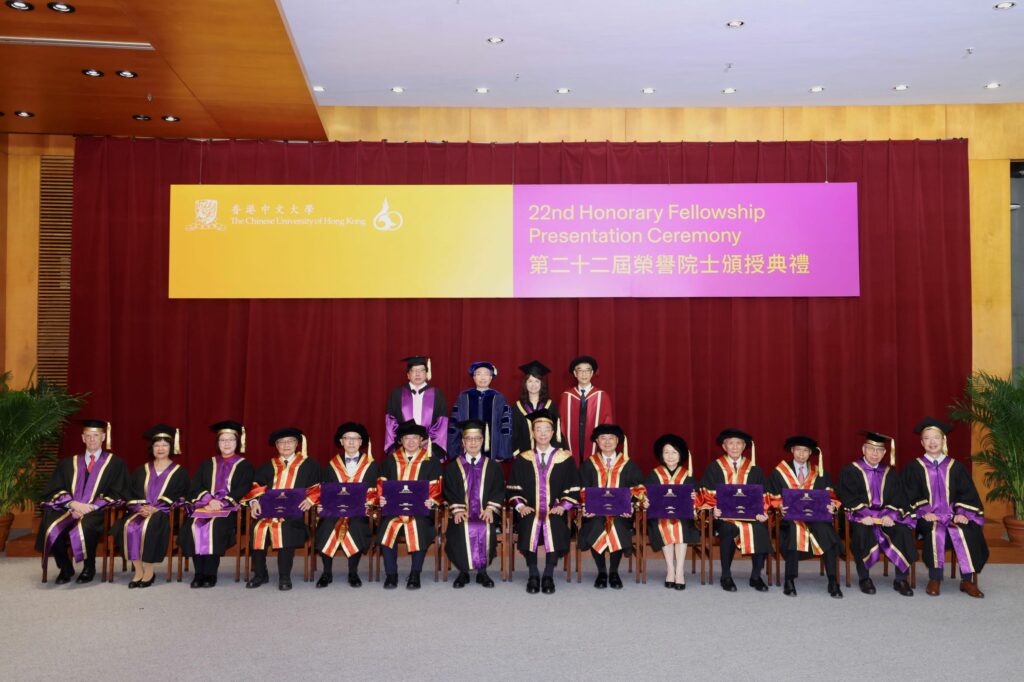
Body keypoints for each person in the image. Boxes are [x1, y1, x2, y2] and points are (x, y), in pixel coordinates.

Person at [902, 417, 987, 598]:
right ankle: (935, 578)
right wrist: (925, 512)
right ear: (922, 442)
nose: (932, 442)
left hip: (953, 516)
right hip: (927, 518)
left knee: (966, 530)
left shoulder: (956, 467)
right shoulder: (914, 468)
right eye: (927, 438)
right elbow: (909, 494)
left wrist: (963, 513)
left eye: (936, 438)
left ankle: (967, 580)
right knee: (935, 531)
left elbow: (967, 494)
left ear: (943, 440)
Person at [37, 419, 128, 585]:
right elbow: (54, 489)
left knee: (85, 524)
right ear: (82, 438)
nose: (92, 439)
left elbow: (118, 491)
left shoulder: (115, 463)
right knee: (50, 523)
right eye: (88, 436)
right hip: (70, 508)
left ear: (103, 437)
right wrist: (72, 504)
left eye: (96, 435)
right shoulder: (68, 463)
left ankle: (89, 567)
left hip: (98, 511)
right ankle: (65, 567)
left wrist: (91, 507)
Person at [507, 409, 580, 594]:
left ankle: (548, 574)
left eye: (546, 429)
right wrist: (521, 506)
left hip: (554, 509)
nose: (542, 433)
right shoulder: (523, 458)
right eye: (538, 429)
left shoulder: (565, 458)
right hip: (530, 509)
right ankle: (533, 573)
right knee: (528, 523)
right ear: (532, 432)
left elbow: (573, 487)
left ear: (553, 432)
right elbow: (514, 487)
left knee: (554, 524)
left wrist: (563, 506)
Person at [838, 431, 917, 596]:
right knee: (861, 532)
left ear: (885, 453)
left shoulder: (891, 473)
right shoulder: (851, 470)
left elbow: (899, 499)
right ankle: (864, 578)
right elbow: (848, 497)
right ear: (863, 449)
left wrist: (891, 515)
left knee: (903, 531)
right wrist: (863, 515)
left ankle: (901, 579)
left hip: (886, 517)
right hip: (863, 518)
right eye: (871, 449)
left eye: (879, 450)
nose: (875, 453)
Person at [241, 428, 320, 591]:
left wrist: (310, 499)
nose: (286, 445)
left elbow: (317, 487)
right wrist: (254, 502)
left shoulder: (309, 465)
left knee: (284, 529)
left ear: (297, 444)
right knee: (258, 528)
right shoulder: (267, 466)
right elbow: (256, 487)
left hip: (295, 516)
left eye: (290, 441)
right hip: (268, 513)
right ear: (276, 446)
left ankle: (284, 576)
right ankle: (260, 574)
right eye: (281, 442)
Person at [112, 424, 190, 588]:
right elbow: (131, 493)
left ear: (171, 447)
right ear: (152, 448)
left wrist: (157, 508)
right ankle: (138, 570)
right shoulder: (141, 470)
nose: (160, 448)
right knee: (125, 526)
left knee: (151, 526)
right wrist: (140, 508)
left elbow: (181, 495)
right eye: (157, 445)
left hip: (165, 513)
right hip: (140, 510)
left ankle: (149, 570)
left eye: (164, 445)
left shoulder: (179, 472)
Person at [179, 420, 254, 588]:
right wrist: (209, 500)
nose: (226, 443)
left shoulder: (244, 466)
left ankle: (210, 574)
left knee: (215, 527)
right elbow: (195, 486)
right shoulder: (207, 464)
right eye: (223, 440)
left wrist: (222, 503)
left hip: (229, 510)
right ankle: (198, 573)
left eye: (231, 440)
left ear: (237, 442)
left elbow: (244, 488)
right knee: (193, 525)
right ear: (217, 443)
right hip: (205, 507)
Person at [767, 435, 843, 599]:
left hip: (816, 518)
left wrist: (832, 506)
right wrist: (779, 505)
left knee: (826, 532)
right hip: (789, 519)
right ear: (792, 451)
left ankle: (833, 580)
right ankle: (789, 579)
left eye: (805, 451)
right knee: (795, 530)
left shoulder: (820, 473)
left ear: (810, 453)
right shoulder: (780, 472)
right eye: (798, 450)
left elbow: (833, 497)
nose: (801, 454)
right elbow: (770, 495)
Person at [699, 428, 772, 592]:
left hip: (751, 516)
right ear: (724, 446)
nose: (734, 447)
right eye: (730, 443)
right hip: (724, 517)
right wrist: (713, 508)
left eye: (738, 443)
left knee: (760, 529)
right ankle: (726, 575)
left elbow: (763, 494)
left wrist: (762, 511)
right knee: (728, 528)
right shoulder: (714, 468)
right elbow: (705, 493)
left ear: (744, 446)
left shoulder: (754, 469)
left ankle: (755, 576)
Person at [377, 420, 443, 590]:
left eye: (415, 438)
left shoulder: (432, 461)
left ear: (422, 440)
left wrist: (433, 500)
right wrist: (381, 498)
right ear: (400, 441)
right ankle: (391, 574)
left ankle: (415, 574)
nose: (411, 441)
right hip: (394, 511)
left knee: (419, 525)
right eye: (407, 438)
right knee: (387, 526)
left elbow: (436, 488)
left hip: (421, 511)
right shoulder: (390, 461)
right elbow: (381, 486)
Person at [578, 424, 643, 589]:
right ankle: (602, 572)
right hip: (595, 513)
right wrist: (586, 506)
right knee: (596, 525)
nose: (607, 442)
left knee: (617, 526)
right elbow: (581, 489)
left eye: (611, 438)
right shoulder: (589, 464)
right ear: (597, 442)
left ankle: (613, 571)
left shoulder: (628, 464)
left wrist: (632, 506)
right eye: (603, 438)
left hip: (621, 514)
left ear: (617, 441)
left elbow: (639, 489)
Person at [315, 422, 379, 588]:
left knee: (357, 526)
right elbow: (324, 490)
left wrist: (368, 504)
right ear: (341, 442)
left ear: (361, 442)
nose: (351, 442)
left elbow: (376, 491)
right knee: (326, 526)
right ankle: (326, 572)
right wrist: (322, 505)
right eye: (347, 438)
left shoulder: (372, 466)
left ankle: (353, 572)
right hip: (334, 512)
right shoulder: (331, 465)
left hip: (360, 512)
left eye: (355, 439)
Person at [443, 419, 506, 588]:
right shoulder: (452, 467)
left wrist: (491, 509)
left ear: (482, 441)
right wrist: (457, 509)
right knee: (460, 529)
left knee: (484, 527)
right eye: (468, 439)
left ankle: (482, 572)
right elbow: (448, 491)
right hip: (461, 514)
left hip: (486, 513)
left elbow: (499, 489)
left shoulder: (493, 466)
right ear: (463, 442)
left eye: (477, 438)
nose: (473, 442)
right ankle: (463, 571)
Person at [644, 434, 700, 590]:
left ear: (680, 455)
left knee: (680, 525)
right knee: (664, 525)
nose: (670, 456)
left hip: (682, 516)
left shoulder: (687, 475)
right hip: (660, 516)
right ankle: (670, 569)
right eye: (666, 452)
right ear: (661, 455)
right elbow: (646, 495)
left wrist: (694, 497)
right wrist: (646, 500)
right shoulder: (654, 474)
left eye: (674, 452)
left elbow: (697, 498)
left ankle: (680, 570)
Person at [384, 355, 448, 458]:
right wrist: (402, 440)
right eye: (414, 370)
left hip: (428, 448)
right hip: (403, 448)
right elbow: (391, 423)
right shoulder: (397, 394)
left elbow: (441, 424)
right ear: (408, 375)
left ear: (426, 373)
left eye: (421, 370)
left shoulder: (437, 394)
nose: (418, 374)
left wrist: (427, 440)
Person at [448, 361, 513, 461]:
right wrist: (455, 451)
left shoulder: (499, 399)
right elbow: (454, 425)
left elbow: (505, 427)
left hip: (493, 452)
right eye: (478, 374)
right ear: (473, 377)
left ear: (491, 377)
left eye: (486, 374)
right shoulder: (464, 397)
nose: (482, 378)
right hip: (465, 452)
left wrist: (502, 452)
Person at [559, 355, 613, 463]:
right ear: (575, 373)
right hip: (571, 447)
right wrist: (564, 446)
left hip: (595, 446)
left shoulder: (602, 396)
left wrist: (603, 445)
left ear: (592, 373)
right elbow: (561, 423)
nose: (584, 374)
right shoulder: (566, 396)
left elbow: (607, 423)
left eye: (587, 371)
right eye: (580, 371)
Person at [510, 360, 565, 456]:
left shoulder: (550, 406)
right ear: (525, 384)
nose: (533, 385)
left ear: (541, 384)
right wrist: (516, 452)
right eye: (530, 381)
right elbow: (514, 434)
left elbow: (556, 431)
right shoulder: (517, 408)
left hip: (548, 455)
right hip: (524, 455)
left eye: (537, 381)